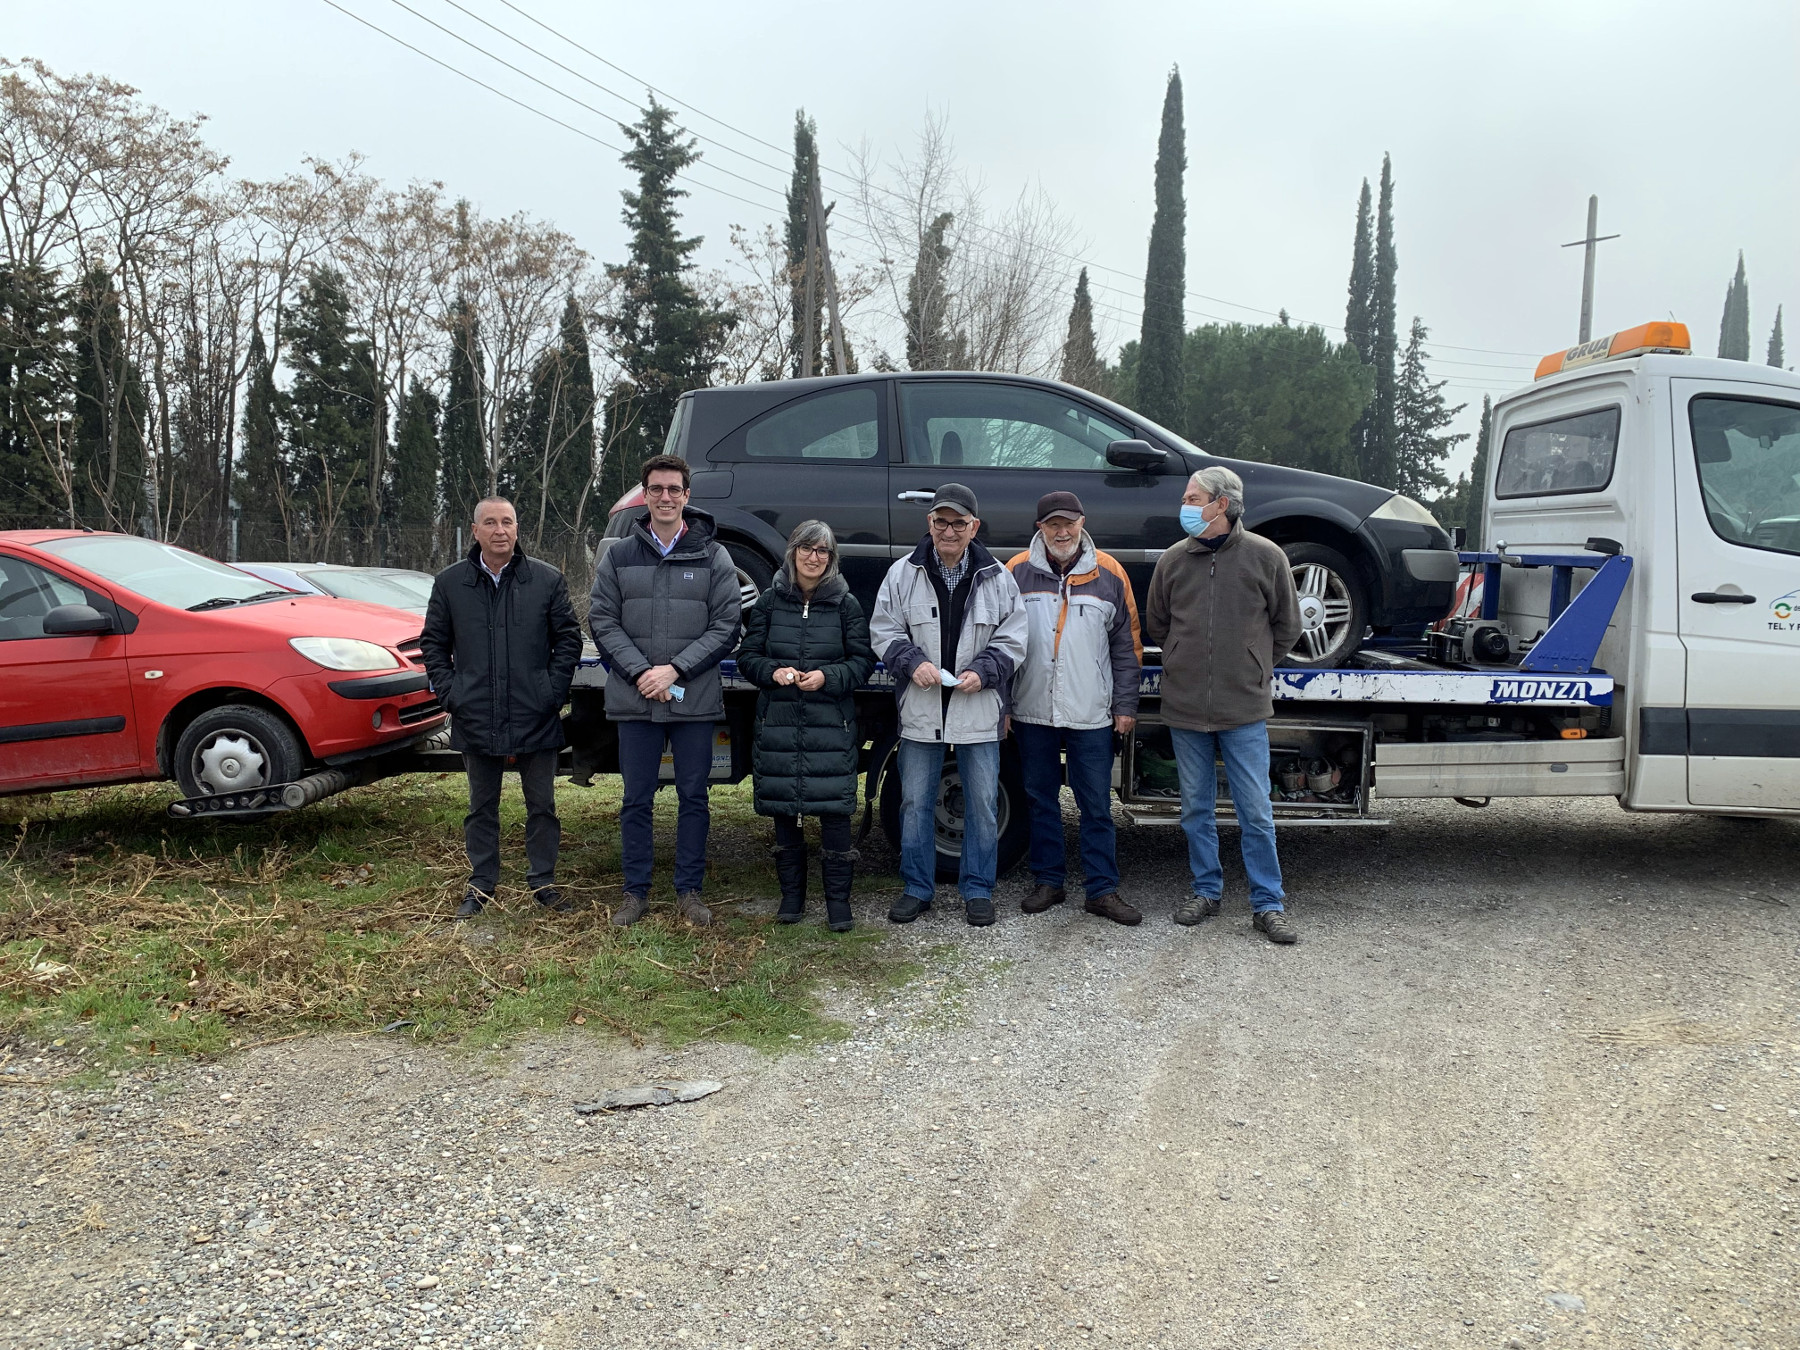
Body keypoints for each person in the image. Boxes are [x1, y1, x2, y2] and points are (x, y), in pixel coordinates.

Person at [1145, 466, 1303, 943]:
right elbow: (1158, 624)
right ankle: (1206, 891)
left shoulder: (1266, 556)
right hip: (1185, 707)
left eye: (1193, 498)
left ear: (1222, 504)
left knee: (1255, 811)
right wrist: (1181, 658)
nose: (1185, 505)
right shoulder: (1173, 560)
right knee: (1195, 809)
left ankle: (1268, 904)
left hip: (1244, 710)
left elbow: (1288, 626)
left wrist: (1254, 665)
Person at [588, 454, 742, 928]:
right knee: (636, 799)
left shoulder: (714, 555)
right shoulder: (619, 555)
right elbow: (602, 620)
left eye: (674, 489)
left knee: (694, 798)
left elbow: (726, 625)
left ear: (686, 496)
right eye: (656, 489)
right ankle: (635, 893)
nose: (666, 497)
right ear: (646, 496)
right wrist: (642, 674)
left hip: (692, 699)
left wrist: (674, 671)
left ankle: (689, 891)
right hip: (636, 700)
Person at [869, 483, 1028, 927]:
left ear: (974, 527)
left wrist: (985, 671)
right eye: (942, 521)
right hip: (921, 710)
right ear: (930, 523)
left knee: (983, 806)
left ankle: (977, 890)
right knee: (914, 804)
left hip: (978, 709)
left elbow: (1015, 638)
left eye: (959, 523)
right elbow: (884, 630)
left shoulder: (998, 577)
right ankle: (916, 888)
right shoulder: (902, 574)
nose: (949, 530)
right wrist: (912, 662)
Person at [421, 496, 583, 920]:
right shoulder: (451, 583)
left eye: (507, 522)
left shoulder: (546, 580)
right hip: (476, 712)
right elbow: (433, 644)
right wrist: (452, 694)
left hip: (535, 712)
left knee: (542, 806)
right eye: (490, 523)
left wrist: (551, 692)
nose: (499, 530)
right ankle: (481, 883)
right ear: (475, 531)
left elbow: (568, 640)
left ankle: (543, 882)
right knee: (481, 807)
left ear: (516, 529)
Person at [1006, 491, 1143, 925]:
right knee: (1039, 800)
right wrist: (1003, 703)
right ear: (1040, 528)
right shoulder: (1015, 571)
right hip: (1032, 710)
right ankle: (1048, 882)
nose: (1062, 532)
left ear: (1083, 522)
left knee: (1096, 805)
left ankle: (1101, 890)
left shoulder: (1110, 572)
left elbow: (1127, 646)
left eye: (1069, 523)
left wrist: (1125, 705)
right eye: (1053, 524)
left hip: (1091, 712)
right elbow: (999, 643)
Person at [736, 521, 876, 932]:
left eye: (823, 551)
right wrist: (773, 671)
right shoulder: (768, 602)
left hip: (829, 725)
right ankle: (791, 898)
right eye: (807, 549)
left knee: (835, 815)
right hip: (779, 723)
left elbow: (862, 662)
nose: (814, 558)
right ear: (793, 551)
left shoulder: (846, 604)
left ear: (831, 558)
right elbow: (748, 656)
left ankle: (838, 904)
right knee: (785, 812)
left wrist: (828, 677)